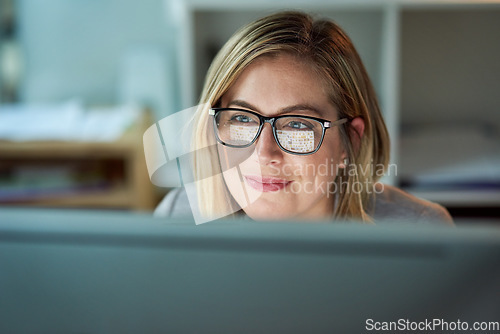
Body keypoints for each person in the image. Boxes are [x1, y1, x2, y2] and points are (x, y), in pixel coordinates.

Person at [155, 11, 453, 225]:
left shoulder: (419, 232)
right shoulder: (179, 216)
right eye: (242, 120)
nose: (263, 153)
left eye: (297, 124)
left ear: (350, 140)